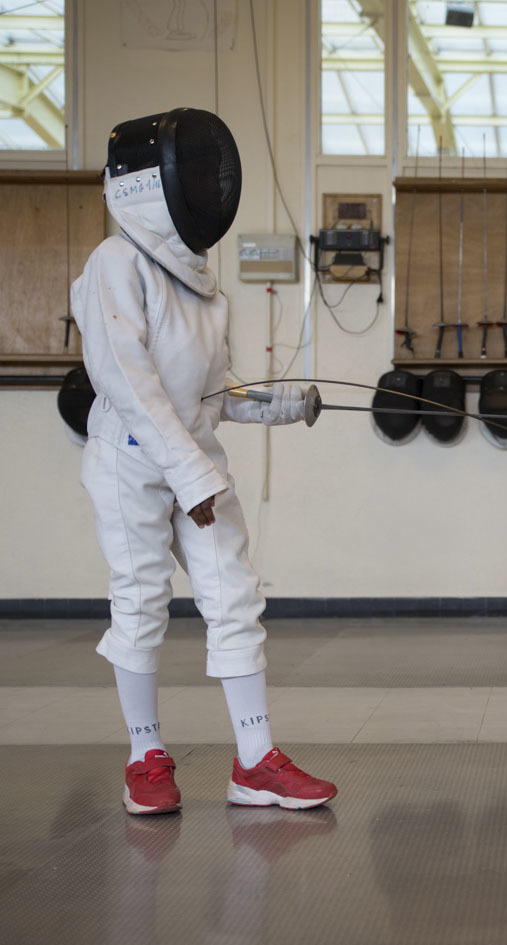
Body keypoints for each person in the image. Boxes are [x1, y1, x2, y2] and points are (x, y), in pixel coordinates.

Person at [73, 108, 336, 814]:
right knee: (140, 599)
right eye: (188, 171)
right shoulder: (114, 264)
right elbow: (132, 385)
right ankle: (146, 755)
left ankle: (255, 761)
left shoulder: (202, 286)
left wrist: (286, 402)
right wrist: (192, 478)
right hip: (131, 463)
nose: (202, 183)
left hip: (196, 460)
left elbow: (209, 394)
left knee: (235, 595)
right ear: (143, 183)